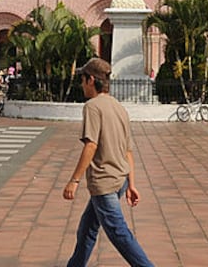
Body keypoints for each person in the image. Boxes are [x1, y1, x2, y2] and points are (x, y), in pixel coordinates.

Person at [61, 58, 154, 267]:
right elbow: (128, 150)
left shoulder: (93, 107)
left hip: (104, 181)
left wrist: (74, 180)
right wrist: (131, 184)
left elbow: (91, 145)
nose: (82, 85)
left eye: (83, 80)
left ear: (91, 80)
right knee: (87, 228)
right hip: (120, 179)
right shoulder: (118, 107)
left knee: (118, 232)